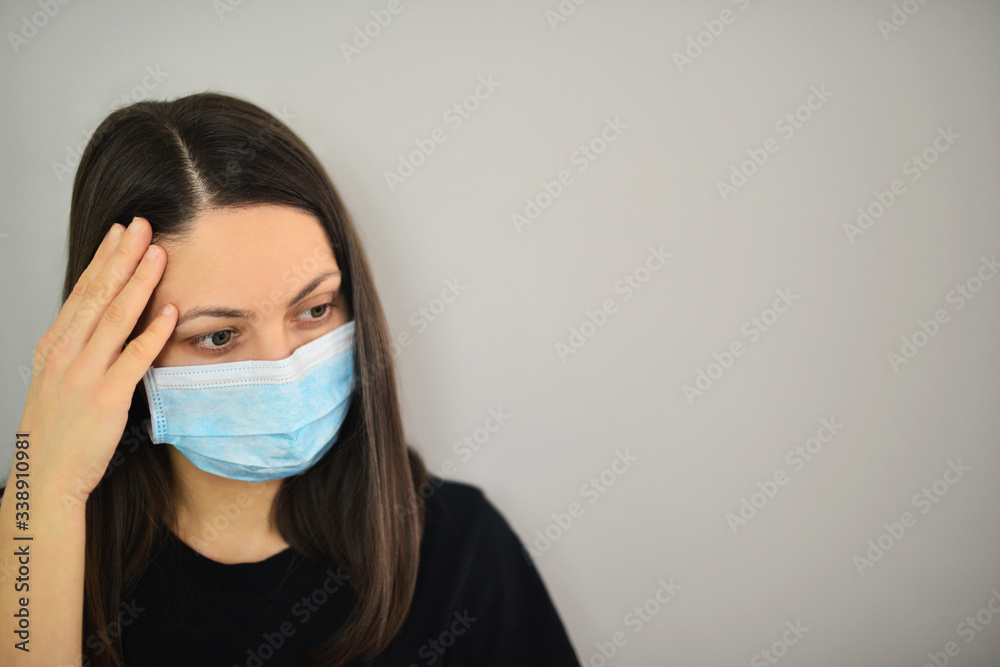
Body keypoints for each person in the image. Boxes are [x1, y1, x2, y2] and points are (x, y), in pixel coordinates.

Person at [0, 92, 581, 666]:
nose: (284, 369)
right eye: (219, 336)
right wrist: (42, 487)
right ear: (116, 343)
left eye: (314, 309)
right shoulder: (24, 533)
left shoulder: (462, 548)